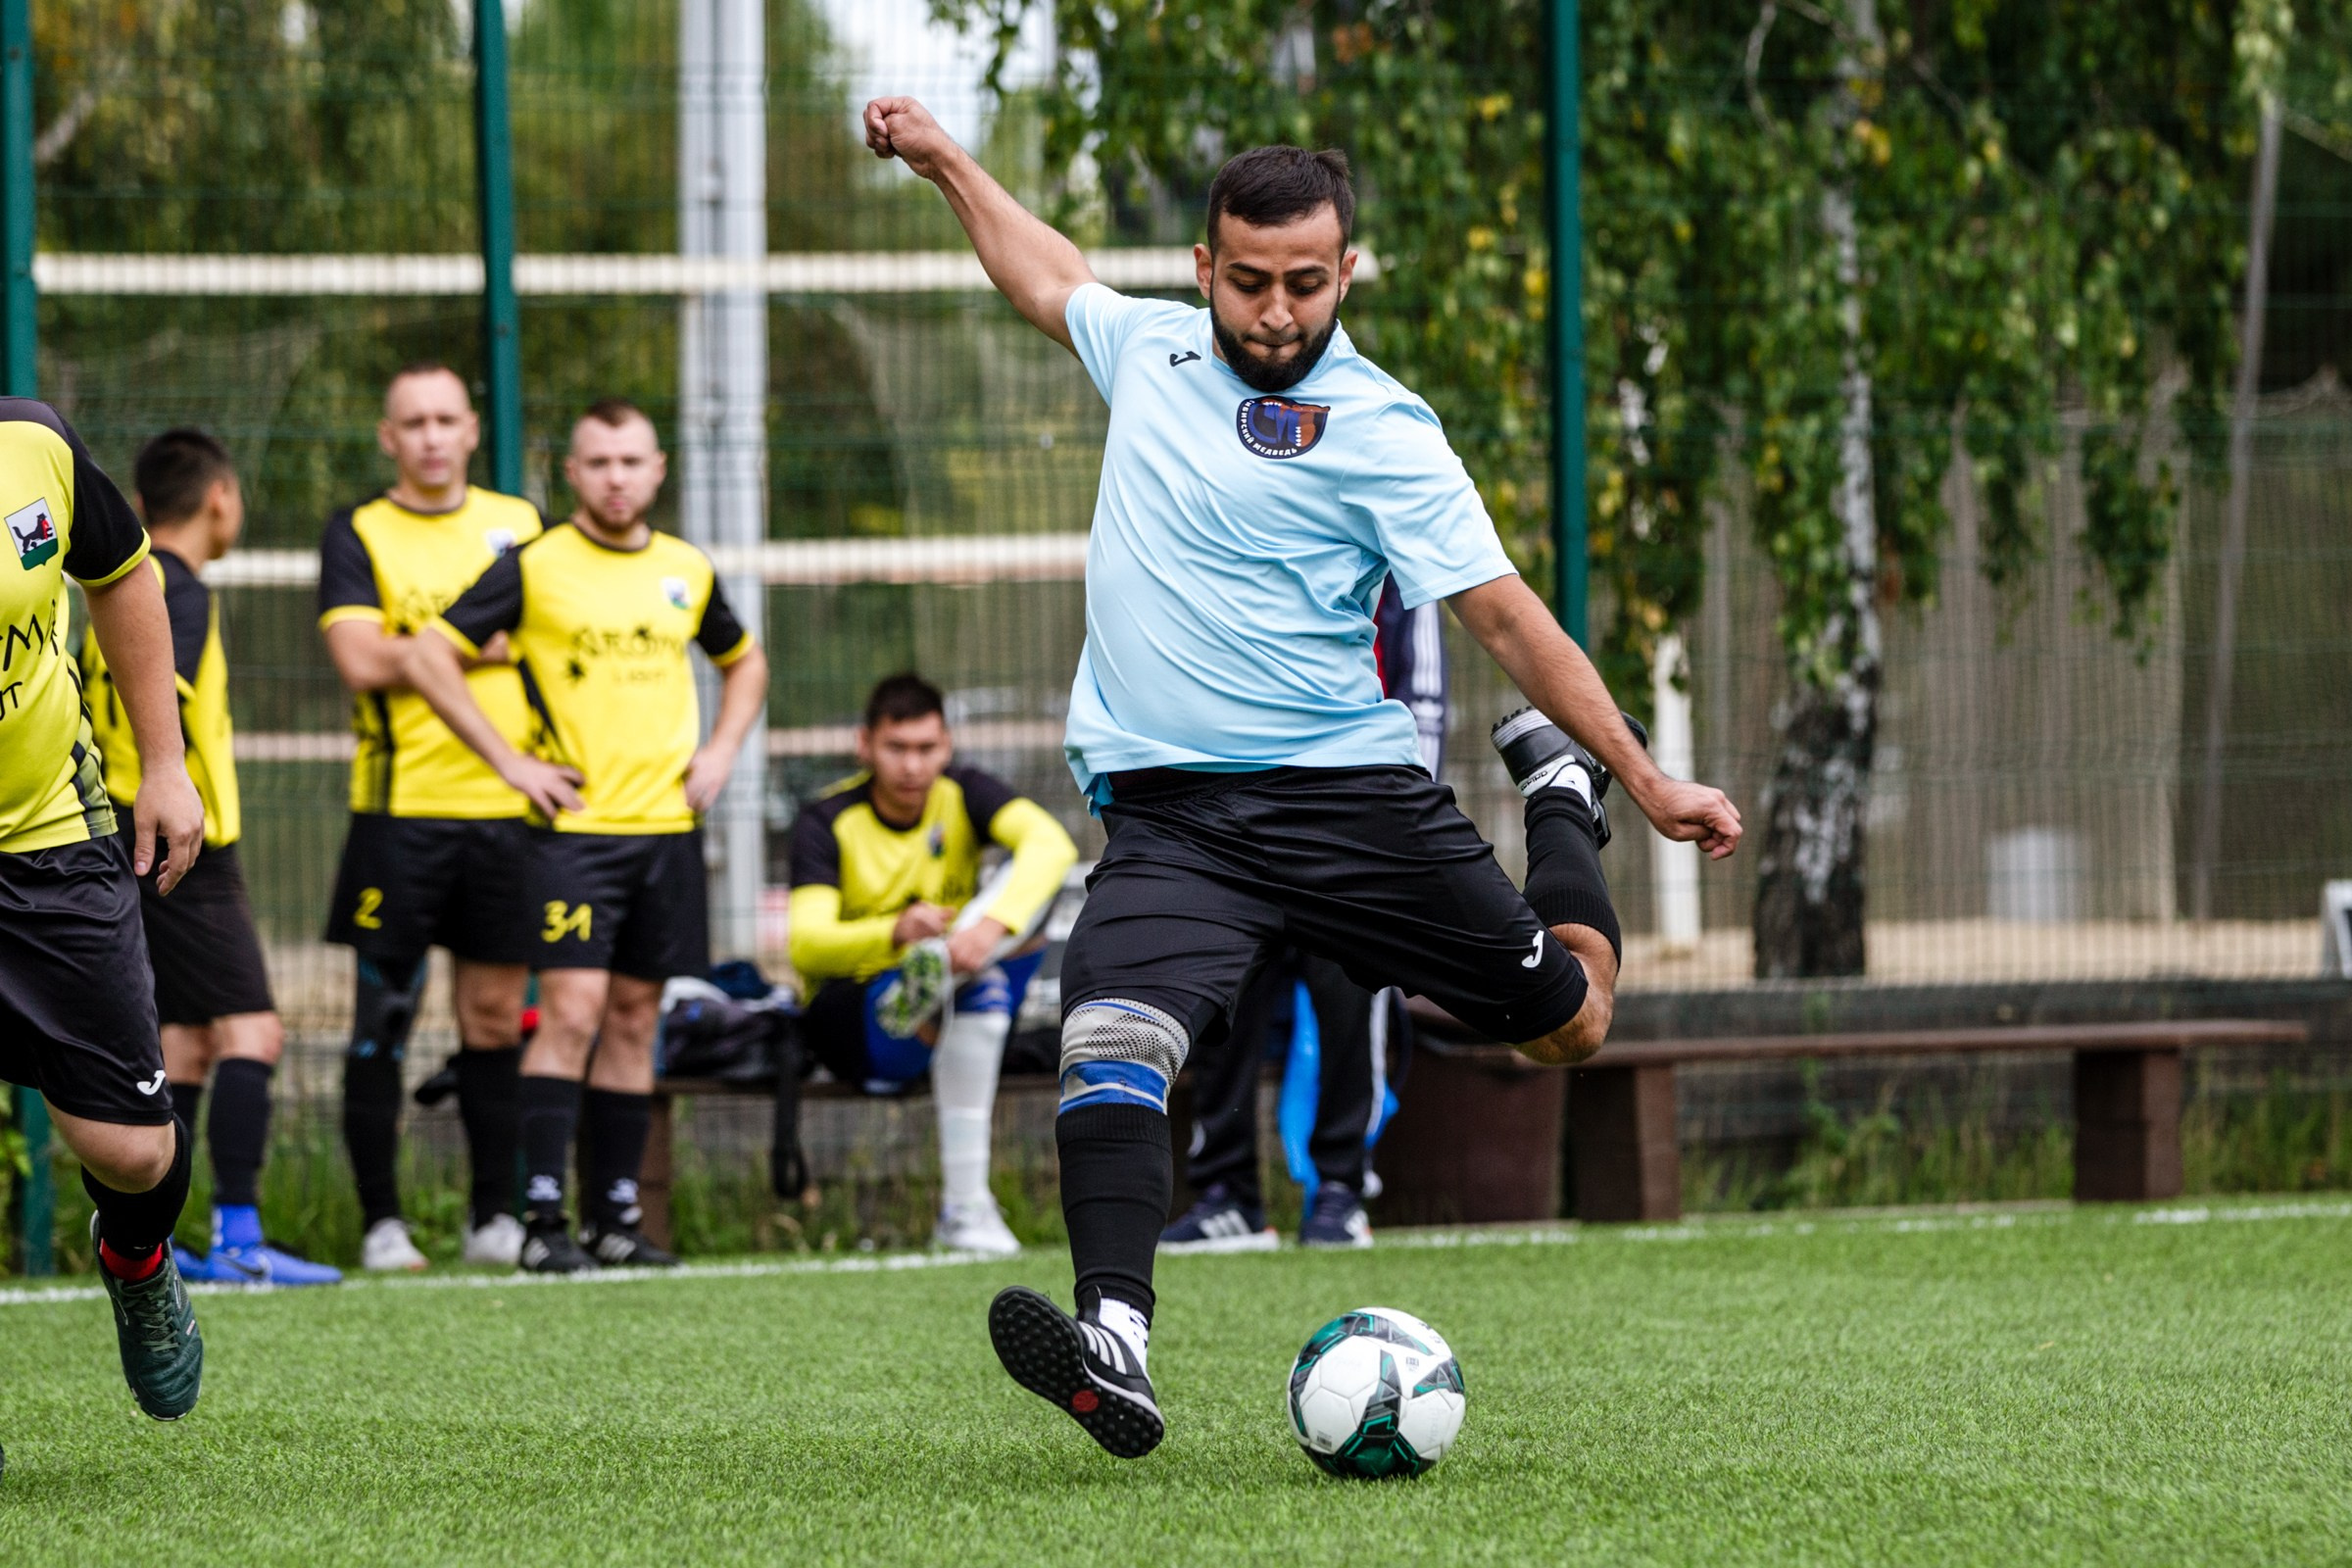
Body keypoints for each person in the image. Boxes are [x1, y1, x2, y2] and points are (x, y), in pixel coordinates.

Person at [863, 98, 1742, 1459]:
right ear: (1205, 269)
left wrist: (1647, 774)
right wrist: (944, 165)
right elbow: (1044, 270)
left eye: (1306, 283)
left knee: (1572, 1025)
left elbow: (1505, 616)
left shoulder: (1386, 428)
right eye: (1250, 280)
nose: (1276, 312)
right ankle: (1117, 1340)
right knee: (1108, 1042)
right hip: (1172, 818)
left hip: (1347, 804)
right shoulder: (1148, 348)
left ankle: (1560, 800)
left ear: (1347, 272)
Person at [403, 398, 768, 1274]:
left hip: (667, 835)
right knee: (570, 1012)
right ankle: (542, 1221)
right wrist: (510, 764)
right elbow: (426, 656)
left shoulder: (686, 567)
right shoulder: (535, 566)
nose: (616, 478)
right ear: (572, 473)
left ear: (658, 470)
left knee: (638, 1016)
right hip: (573, 838)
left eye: (631, 462)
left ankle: (615, 1216)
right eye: (598, 462)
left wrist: (720, 750)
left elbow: (745, 660)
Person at [79, 429, 340, 1286]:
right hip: (185, 841)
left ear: (146, 505)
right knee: (253, 1034)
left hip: (122, 828)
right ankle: (237, 1232)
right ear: (222, 496)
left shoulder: (127, 587)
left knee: (185, 1044)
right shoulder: (174, 591)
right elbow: (161, 694)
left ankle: (167, 1238)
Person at [0, 396, 208, 1418]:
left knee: (136, 1151)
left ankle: (133, 1256)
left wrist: (163, 763)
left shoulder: (30, 443)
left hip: (49, 838)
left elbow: (123, 574)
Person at [316, 364, 543, 1271]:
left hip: (505, 813)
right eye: (414, 422)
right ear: (388, 437)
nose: (433, 437)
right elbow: (361, 661)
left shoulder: (522, 525)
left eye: (448, 418)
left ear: (473, 428)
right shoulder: (358, 531)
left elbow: (541, 640)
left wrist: (422, 647)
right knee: (384, 1019)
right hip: (398, 814)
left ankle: (494, 1219)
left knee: (493, 1017)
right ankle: (383, 1225)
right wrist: (473, 643)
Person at [1161, 581, 1446, 1253]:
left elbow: (1424, 700)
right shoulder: (1249, 544)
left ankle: (1341, 1190)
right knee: (1224, 996)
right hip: (1245, 813)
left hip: (1353, 825)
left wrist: (1403, 817)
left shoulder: (1399, 568)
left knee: (1351, 994)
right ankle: (1229, 1193)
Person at [789, 672, 1079, 1256]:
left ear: (946, 746)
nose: (912, 766)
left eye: (926, 749)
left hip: (962, 985)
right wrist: (894, 932)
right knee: (979, 989)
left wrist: (989, 928)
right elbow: (806, 944)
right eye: (897, 748)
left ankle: (945, 970)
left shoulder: (964, 791)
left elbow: (1054, 845)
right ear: (864, 744)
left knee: (1031, 902)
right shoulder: (825, 820)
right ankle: (965, 1206)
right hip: (856, 1020)